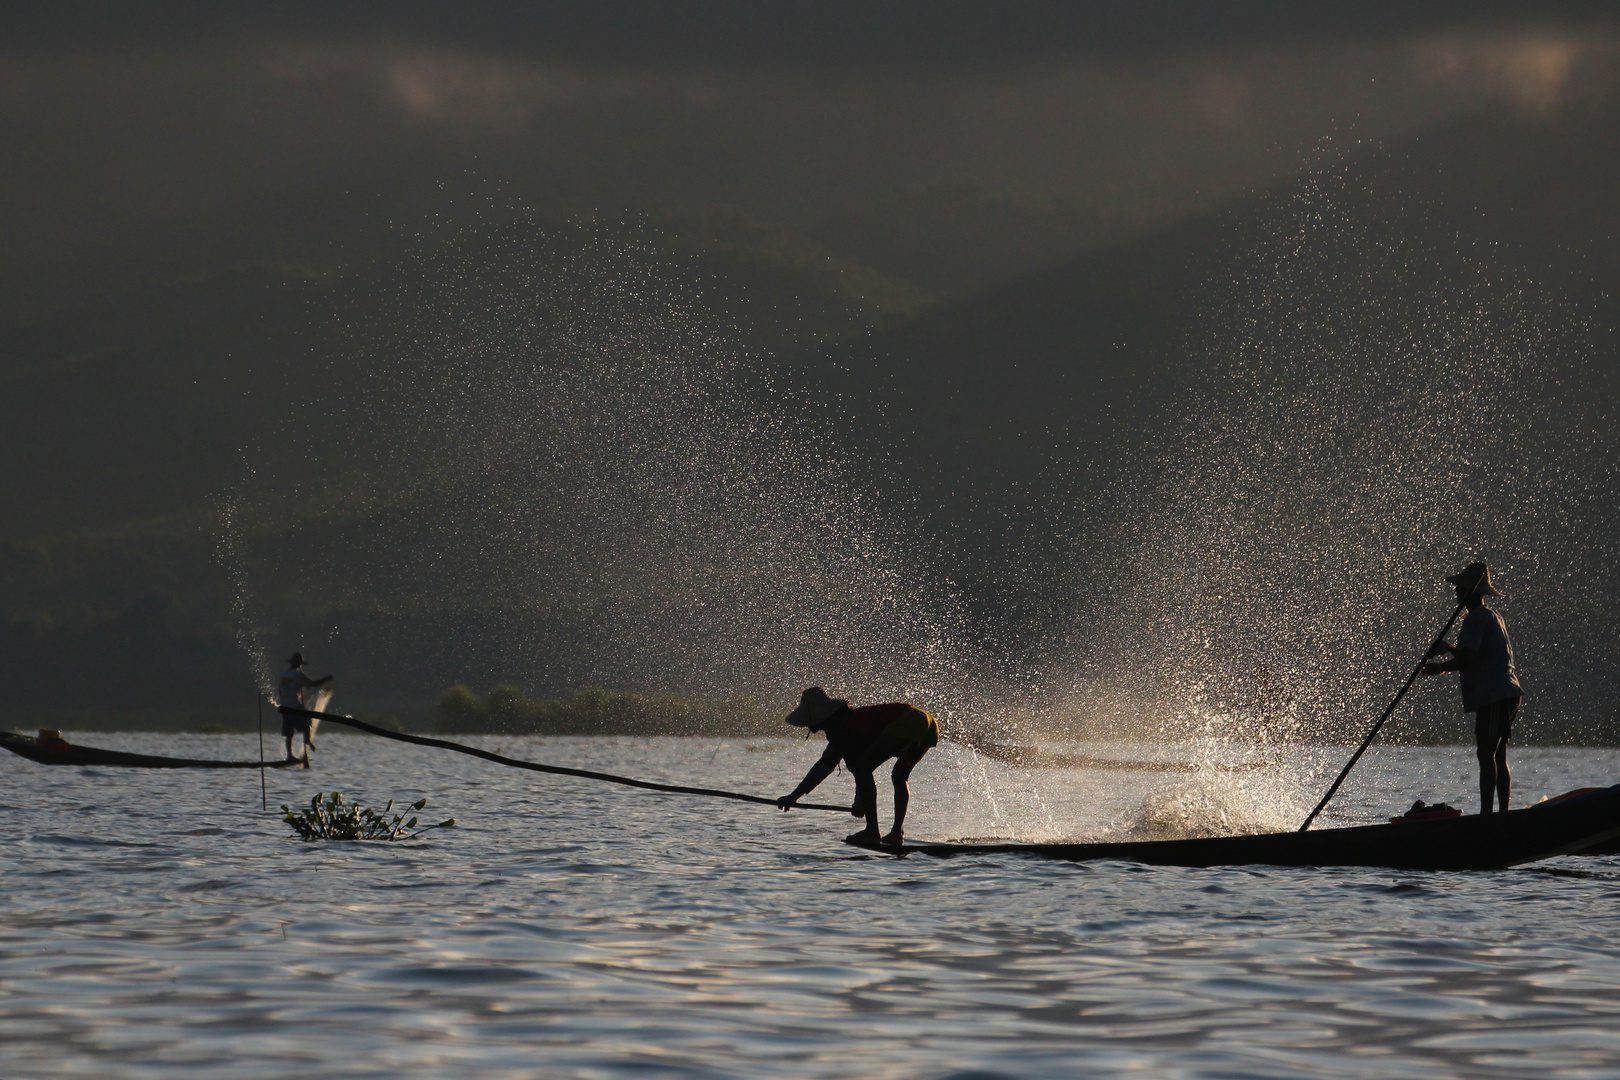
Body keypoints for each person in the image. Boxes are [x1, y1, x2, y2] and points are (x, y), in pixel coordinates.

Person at [775, 686, 939, 846]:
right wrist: (860, 803)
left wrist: (793, 796)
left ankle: (872, 832)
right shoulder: (850, 722)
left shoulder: (842, 729)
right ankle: (896, 833)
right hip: (926, 720)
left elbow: (825, 766)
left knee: (863, 768)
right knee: (899, 776)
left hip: (909, 720)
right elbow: (857, 767)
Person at [1423, 562, 1523, 814]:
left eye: (1460, 588)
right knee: (1497, 754)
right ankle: (1499, 814)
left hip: (1496, 694)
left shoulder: (1476, 617)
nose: (1456, 593)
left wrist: (1442, 661)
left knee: (1487, 754)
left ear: (1470, 591)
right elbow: (1473, 656)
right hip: (1505, 693)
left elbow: (1468, 658)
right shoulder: (1491, 616)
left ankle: (1488, 815)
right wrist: (1445, 658)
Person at [278, 652, 333, 762]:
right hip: (294, 706)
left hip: (285, 706)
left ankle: (289, 756)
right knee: (307, 723)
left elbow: (281, 691)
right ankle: (307, 741)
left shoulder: (285, 675)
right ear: (299, 664)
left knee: (289, 733)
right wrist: (325, 679)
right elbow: (312, 684)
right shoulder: (298, 675)